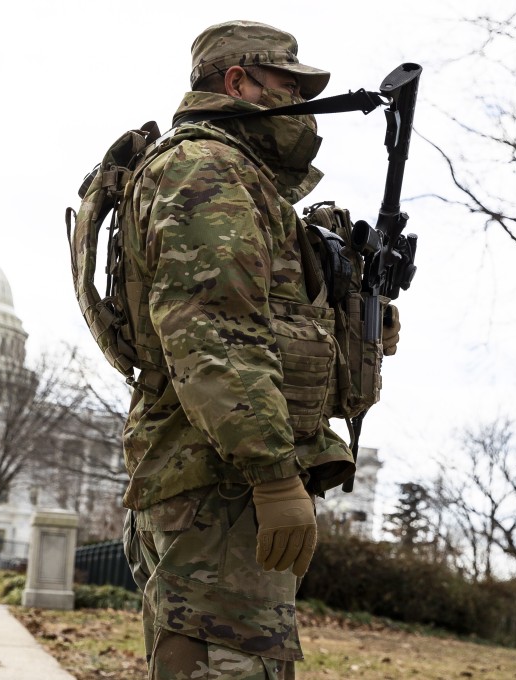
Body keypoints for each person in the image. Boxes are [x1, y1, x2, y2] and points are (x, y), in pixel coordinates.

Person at [117, 20, 397, 679]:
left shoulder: (241, 181)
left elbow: (268, 324)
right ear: (237, 82)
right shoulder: (205, 171)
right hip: (218, 482)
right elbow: (214, 334)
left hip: (216, 476)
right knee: (233, 665)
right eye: (286, 84)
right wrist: (273, 476)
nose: (300, 101)